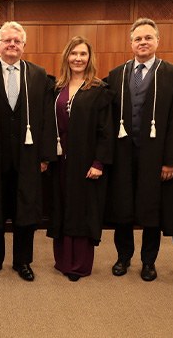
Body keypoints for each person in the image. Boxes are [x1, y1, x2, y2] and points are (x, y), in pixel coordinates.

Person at [0, 21, 56, 282]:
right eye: (7, 40)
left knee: (26, 210)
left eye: (17, 40)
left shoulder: (39, 75)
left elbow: (48, 119)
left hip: (28, 157)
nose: (12, 44)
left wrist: (45, 156)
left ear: (24, 45)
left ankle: (22, 261)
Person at [104, 18, 173, 282]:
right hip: (123, 153)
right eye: (138, 39)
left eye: (148, 38)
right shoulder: (117, 74)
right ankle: (123, 257)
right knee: (123, 208)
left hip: (156, 155)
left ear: (157, 41)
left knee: (152, 209)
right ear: (131, 43)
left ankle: (148, 261)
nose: (143, 42)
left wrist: (171, 160)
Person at [46, 36, 113, 282]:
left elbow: (106, 131)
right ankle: (62, 260)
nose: (78, 58)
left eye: (83, 54)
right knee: (62, 206)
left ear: (89, 58)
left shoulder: (98, 90)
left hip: (86, 162)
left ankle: (79, 264)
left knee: (83, 210)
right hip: (61, 160)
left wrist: (99, 163)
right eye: (73, 54)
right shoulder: (56, 89)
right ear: (66, 58)